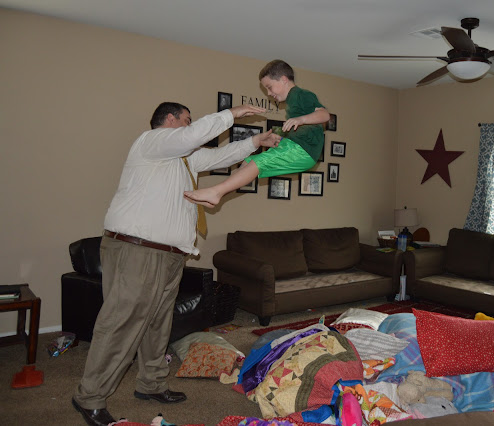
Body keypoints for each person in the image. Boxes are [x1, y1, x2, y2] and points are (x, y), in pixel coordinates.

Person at [72, 101, 279, 426]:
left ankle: (151, 384)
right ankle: (90, 397)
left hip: (170, 254)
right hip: (138, 249)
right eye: (187, 120)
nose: (190, 126)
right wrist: (232, 114)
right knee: (122, 323)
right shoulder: (151, 142)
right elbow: (191, 137)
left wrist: (255, 142)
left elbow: (219, 157)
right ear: (170, 119)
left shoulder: (182, 159)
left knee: (158, 322)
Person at [184, 59, 329, 207]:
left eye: (269, 87)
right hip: (297, 146)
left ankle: (215, 193)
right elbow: (302, 129)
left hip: (303, 150)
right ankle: (218, 195)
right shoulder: (292, 101)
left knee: (258, 163)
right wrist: (282, 136)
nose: (268, 93)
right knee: (248, 162)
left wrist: (301, 119)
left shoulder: (301, 95)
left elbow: (324, 115)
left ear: (284, 80)